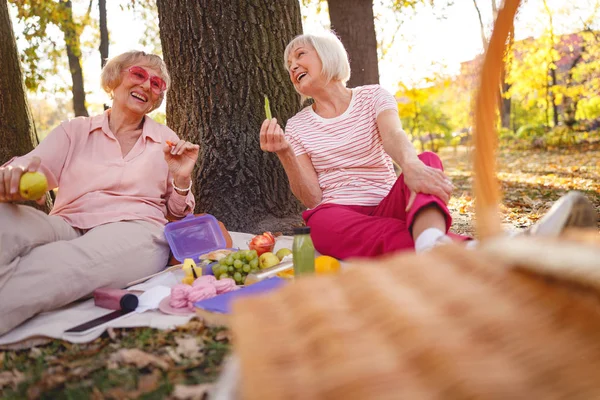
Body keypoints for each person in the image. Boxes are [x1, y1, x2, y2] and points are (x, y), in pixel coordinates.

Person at [259, 32, 597, 260]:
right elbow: (313, 198)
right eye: (289, 65)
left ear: (327, 55)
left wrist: (412, 166)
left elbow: (394, 137)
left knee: (427, 158)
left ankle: (431, 244)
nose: (292, 66)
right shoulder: (298, 125)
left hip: (389, 203)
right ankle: (447, 244)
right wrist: (286, 152)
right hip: (340, 213)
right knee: (321, 224)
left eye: (299, 55)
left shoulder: (373, 96)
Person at [0, 51, 199, 335]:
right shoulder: (75, 130)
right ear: (114, 80)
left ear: (157, 99)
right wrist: (12, 177)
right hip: (67, 224)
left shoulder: (166, 141)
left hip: (133, 230)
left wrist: (182, 178)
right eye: (138, 75)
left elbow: (179, 213)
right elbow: (35, 166)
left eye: (156, 84)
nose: (146, 86)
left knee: (60, 262)